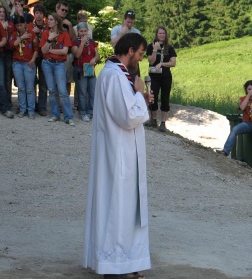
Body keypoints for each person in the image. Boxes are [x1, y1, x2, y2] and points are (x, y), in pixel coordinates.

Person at [83, 33, 153, 279]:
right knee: (117, 208)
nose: (141, 59)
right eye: (141, 54)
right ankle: (113, 266)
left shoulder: (120, 74)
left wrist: (140, 98)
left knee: (127, 209)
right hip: (117, 154)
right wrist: (139, 94)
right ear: (131, 50)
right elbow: (128, 117)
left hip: (124, 152)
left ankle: (127, 261)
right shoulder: (113, 76)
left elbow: (129, 108)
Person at [219, 80, 252, 174]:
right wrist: (248, 96)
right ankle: (226, 151)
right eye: (249, 89)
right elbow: (242, 108)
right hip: (247, 123)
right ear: (246, 89)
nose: (251, 90)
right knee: (235, 129)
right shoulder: (243, 98)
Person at [40, 13, 74, 126]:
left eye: (50, 19)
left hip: (59, 64)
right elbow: (43, 51)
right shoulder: (45, 34)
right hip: (47, 64)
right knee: (52, 90)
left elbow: (64, 51)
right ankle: (55, 115)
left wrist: (50, 51)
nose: (48, 21)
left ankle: (68, 117)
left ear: (56, 21)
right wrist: (49, 40)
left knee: (63, 91)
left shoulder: (64, 34)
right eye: (48, 19)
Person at [145, 26, 177, 132]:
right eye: (160, 33)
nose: (162, 35)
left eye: (163, 33)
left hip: (166, 76)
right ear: (156, 34)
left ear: (166, 35)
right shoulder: (151, 46)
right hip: (154, 76)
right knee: (152, 97)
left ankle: (163, 123)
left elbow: (173, 63)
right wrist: (155, 49)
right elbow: (150, 61)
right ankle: (153, 120)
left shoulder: (169, 48)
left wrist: (162, 63)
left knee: (165, 98)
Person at [10, 15, 39, 119]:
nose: (19, 27)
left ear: (25, 24)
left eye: (21, 25)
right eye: (17, 25)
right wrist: (21, 37)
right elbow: (12, 45)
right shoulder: (14, 34)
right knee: (21, 88)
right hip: (17, 63)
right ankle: (22, 109)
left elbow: (36, 49)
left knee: (30, 88)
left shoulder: (31, 34)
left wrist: (32, 60)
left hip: (28, 63)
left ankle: (31, 110)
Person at [71, 22, 98, 121]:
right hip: (79, 69)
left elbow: (97, 55)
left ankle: (91, 111)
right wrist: (82, 43)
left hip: (90, 69)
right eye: (81, 31)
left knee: (93, 91)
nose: (83, 33)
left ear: (88, 31)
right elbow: (77, 54)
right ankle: (83, 112)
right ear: (78, 31)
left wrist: (94, 59)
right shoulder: (75, 42)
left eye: (85, 31)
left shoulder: (91, 42)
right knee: (82, 92)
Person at [27, 4, 48, 116]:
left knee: (43, 83)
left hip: (44, 56)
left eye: (40, 13)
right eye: (37, 13)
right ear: (34, 14)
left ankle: (42, 107)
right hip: (33, 56)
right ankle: (32, 105)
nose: (38, 15)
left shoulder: (47, 26)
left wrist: (39, 33)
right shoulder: (29, 26)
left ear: (43, 14)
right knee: (32, 81)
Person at [55, 1, 76, 108]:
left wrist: (70, 26)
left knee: (67, 81)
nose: (64, 12)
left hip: (67, 55)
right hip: (55, 55)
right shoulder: (52, 20)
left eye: (66, 11)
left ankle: (65, 104)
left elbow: (74, 40)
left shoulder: (68, 23)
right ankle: (57, 104)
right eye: (62, 10)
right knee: (56, 82)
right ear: (57, 9)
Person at [0, 5, 14, 110]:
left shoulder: (10, 24)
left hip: (7, 53)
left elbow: (11, 40)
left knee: (7, 78)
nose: (1, 14)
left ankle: (7, 101)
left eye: (3, 12)